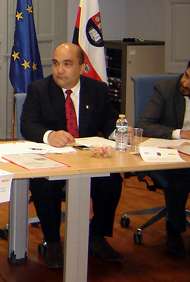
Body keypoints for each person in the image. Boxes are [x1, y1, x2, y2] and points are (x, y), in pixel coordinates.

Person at [20, 43, 124, 268]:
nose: (60, 70)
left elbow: (109, 123)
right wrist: (49, 135)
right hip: (51, 161)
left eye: (67, 64)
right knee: (43, 184)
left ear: (82, 67)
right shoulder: (39, 88)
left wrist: (121, 136)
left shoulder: (97, 89)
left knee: (113, 181)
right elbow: (27, 125)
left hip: (88, 161)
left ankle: (96, 237)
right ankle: (54, 242)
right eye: (56, 63)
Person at [136, 60, 190, 258]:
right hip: (168, 154)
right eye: (186, 75)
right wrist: (179, 134)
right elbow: (144, 125)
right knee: (182, 174)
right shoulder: (166, 90)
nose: (186, 83)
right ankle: (174, 231)